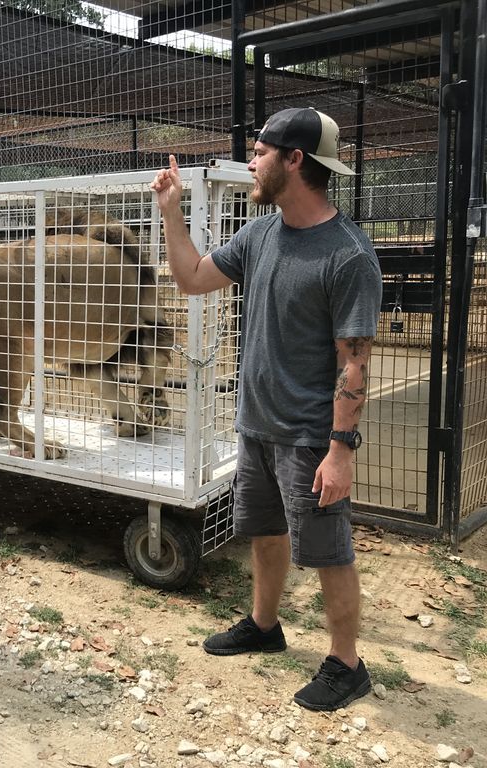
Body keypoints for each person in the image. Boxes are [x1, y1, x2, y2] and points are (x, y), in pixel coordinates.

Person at [151, 107, 382, 711]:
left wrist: (339, 451)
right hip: (255, 423)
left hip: (310, 436)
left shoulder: (348, 254)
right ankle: (264, 625)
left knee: (329, 552)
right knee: (266, 531)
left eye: (259, 152)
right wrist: (172, 213)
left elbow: (353, 365)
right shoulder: (260, 234)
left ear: (295, 159)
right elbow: (193, 278)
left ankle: (347, 664)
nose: (250, 163)